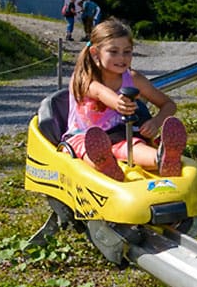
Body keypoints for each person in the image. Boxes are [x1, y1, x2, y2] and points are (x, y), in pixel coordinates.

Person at [64, 18, 187, 181]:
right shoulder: (83, 78)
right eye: (113, 52)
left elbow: (169, 104)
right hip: (84, 136)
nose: (122, 58)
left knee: (134, 146)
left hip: (119, 135)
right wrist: (118, 102)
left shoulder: (134, 79)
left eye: (127, 51)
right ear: (95, 53)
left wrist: (155, 123)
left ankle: (163, 159)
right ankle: (104, 165)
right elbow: (99, 92)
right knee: (86, 149)